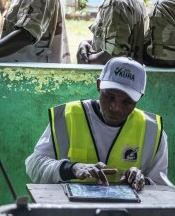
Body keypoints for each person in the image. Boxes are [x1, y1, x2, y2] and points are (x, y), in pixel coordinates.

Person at [26, 57, 167, 189]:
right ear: (99, 85)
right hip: (72, 211)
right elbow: (33, 166)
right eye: (110, 96)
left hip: (124, 213)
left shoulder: (152, 130)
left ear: (139, 98)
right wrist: (71, 168)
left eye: (127, 102)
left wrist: (142, 180)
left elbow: (160, 186)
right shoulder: (68, 117)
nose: (115, 108)